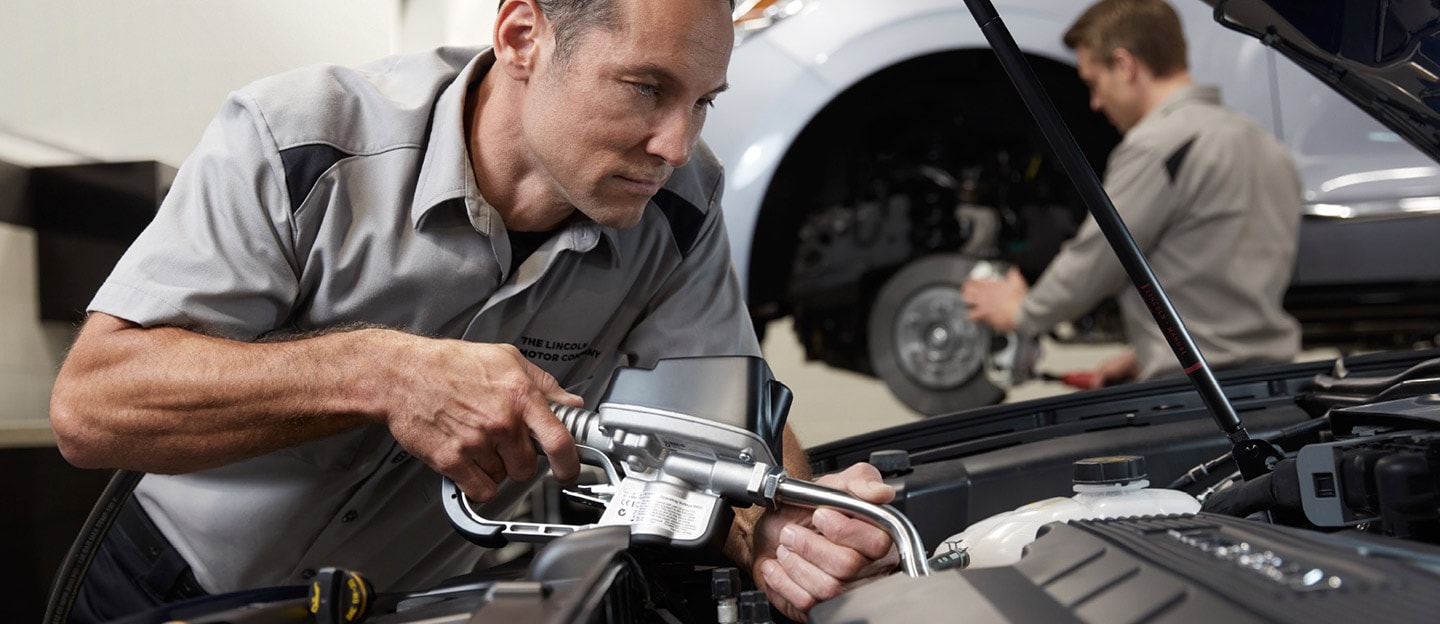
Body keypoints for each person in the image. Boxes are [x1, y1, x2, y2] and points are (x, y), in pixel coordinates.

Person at [47, 0, 896, 621]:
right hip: (172, 589)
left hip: (411, 605)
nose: (676, 144)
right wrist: (381, 371)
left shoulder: (681, 208)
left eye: (704, 101)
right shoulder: (300, 138)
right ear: (523, 37)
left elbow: (725, 429)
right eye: (646, 88)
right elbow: (91, 408)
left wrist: (780, 533)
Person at [962, 0, 1302, 388]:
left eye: (1093, 83)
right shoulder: (1263, 144)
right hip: (1273, 381)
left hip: (1202, 395)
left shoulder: (1159, 145)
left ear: (1125, 65)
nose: (1095, 102)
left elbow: (1100, 255)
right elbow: (1215, 274)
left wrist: (1023, 312)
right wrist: (1150, 353)